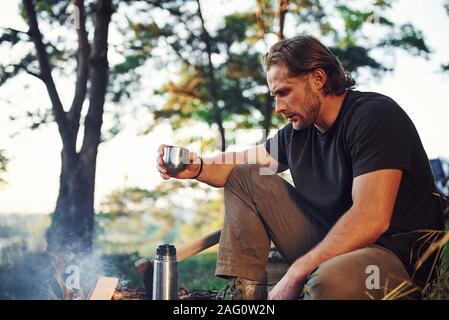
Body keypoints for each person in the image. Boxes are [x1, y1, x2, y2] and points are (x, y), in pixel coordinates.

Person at [156, 35, 445, 300]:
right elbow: (236, 163)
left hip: (392, 257)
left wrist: (296, 272)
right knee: (245, 176)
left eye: (285, 92)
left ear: (318, 78)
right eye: (274, 96)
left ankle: (306, 280)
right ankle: (244, 298)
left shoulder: (374, 117)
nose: (279, 107)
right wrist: (197, 167)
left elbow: (371, 218)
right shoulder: (297, 133)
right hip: (331, 243)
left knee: (325, 285)